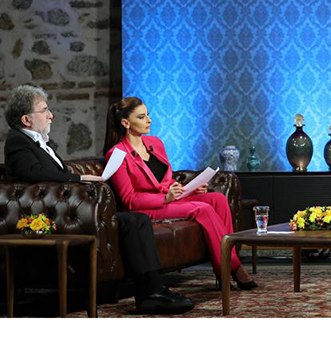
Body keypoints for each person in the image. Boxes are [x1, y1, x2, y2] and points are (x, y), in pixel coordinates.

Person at [3, 85, 194, 314]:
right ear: (26, 119)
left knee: (137, 220)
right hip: (54, 216)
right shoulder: (17, 142)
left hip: (69, 210)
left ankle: (152, 291)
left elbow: (51, 173)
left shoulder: (41, 142)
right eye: (44, 111)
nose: (50, 115)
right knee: (134, 220)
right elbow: (34, 174)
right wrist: (80, 178)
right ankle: (151, 293)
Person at [103, 97, 257, 289]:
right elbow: (129, 200)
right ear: (126, 123)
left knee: (217, 199)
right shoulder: (117, 154)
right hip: (146, 208)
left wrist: (188, 189)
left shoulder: (155, 143)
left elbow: (165, 180)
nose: (149, 120)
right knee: (202, 209)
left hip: (168, 199)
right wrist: (165, 198)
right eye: (141, 117)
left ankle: (225, 267)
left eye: (148, 115)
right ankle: (232, 266)